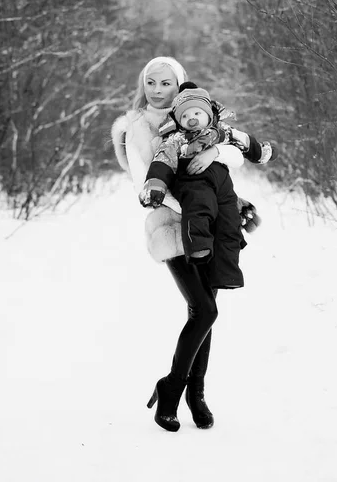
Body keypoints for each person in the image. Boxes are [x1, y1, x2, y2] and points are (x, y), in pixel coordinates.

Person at [111, 56, 275, 432]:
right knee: (204, 309)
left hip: (211, 224)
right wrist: (191, 206)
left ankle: (195, 394)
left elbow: (232, 156)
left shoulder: (199, 113)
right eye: (150, 82)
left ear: (179, 84)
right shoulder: (134, 127)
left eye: (165, 83)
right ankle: (171, 390)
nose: (156, 90)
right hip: (172, 225)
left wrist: (214, 152)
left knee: (205, 311)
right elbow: (144, 182)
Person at [138, 84, 276, 289]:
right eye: (184, 116)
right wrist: (155, 185)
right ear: (178, 120)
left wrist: (260, 152)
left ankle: (228, 273)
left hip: (222, 185)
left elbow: (244, 141)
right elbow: (162, 162)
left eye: (196, 113)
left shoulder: (222, 132)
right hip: (192, 181)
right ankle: (198, 247)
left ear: (209, 114)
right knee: (199, 207)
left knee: (229, 221)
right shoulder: (175, 139)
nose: (191, 119)